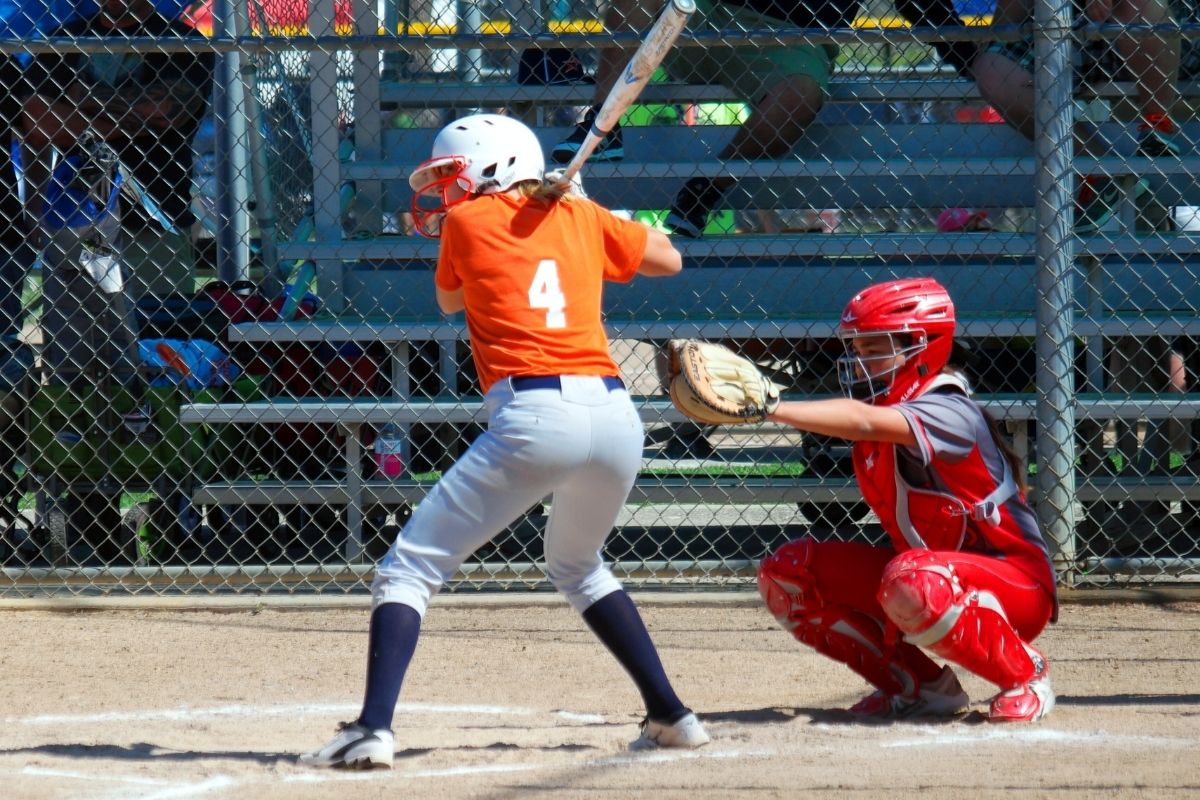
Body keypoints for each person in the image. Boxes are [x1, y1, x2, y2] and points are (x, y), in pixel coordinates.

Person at [300, 113, 709, 769]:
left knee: (409, 568)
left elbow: (447, 299)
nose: (445, 197)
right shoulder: (581, 217)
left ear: (492, 167)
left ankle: (373, 728)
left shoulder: (467, 224)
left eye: (452, 179)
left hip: (536, 415)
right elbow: (670, 257)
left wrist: (558, 211)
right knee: (578, 565)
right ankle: (672, 715)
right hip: (614, 417)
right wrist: (584, 211)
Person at [755, 278, 1057, 722]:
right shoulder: (890, 412)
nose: (861, 362)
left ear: (925, 346)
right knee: (787, 574)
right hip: (935, 574)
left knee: (911, 577)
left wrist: (768, 408)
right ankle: (920, 687)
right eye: (857, 349)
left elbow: (861, 421)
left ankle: (1025, 676)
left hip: (1017, 585)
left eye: (875, 348)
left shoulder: (948, 408)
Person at [551, 0, 982, 238]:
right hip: (706, 14)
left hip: (789, 40)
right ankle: (600, 123)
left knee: (802, 93)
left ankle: (705, 189)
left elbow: (923, 7)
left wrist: (976, 62)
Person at [20, 0, 213, 301]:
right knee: (77, 339)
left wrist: (79, 99)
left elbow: (166, 109)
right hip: (74, 221)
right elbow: (38, 122)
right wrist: (136, 120)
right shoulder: (63, 39)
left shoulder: (179, 40)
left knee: (157, 337)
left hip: (154, 221)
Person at [972, 0, 1181, 232]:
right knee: (992, 69)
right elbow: (1005, 24)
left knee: (1135, 3)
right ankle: (1102, 169)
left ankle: (1158, 125)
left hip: (1167, 28)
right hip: (1070, 31)